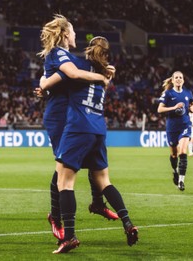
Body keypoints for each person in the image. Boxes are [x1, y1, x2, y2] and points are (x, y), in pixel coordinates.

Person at [41, 36, 138, 254]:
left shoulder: (78, 65)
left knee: (64, 182)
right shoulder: (105, 72)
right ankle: (128, 222)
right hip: (99, 129)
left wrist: (42, 85)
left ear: (89, 49)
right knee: (104, 180)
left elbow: (52, 80)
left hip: (78, 127)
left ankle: (70, 236)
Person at [36, 14, 118, 243]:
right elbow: (69, 74)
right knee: (62, 167)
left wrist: (104, 72)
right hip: (60, 117)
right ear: (64, 34)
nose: (75, 35)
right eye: (72, 31)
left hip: (72, 115)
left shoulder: (67, 56)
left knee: (87, 161)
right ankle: (56, 218)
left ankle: (96, 203)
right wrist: (101, 77)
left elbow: (55, 78)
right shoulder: (59, 53)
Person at [157, 71, 193, 191]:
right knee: (174, 153)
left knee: (183, 151)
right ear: (172, 80)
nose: (178, 79)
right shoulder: (168, 94)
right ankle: (175, 171)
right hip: (172, 128)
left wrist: (192, 108)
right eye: (176, 78)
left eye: (180, 78)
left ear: (183, 80)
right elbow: (159, 109)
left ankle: (181, 181)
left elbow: (192, 104)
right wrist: (174, 108)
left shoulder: (188, 93)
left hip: (185, 125)